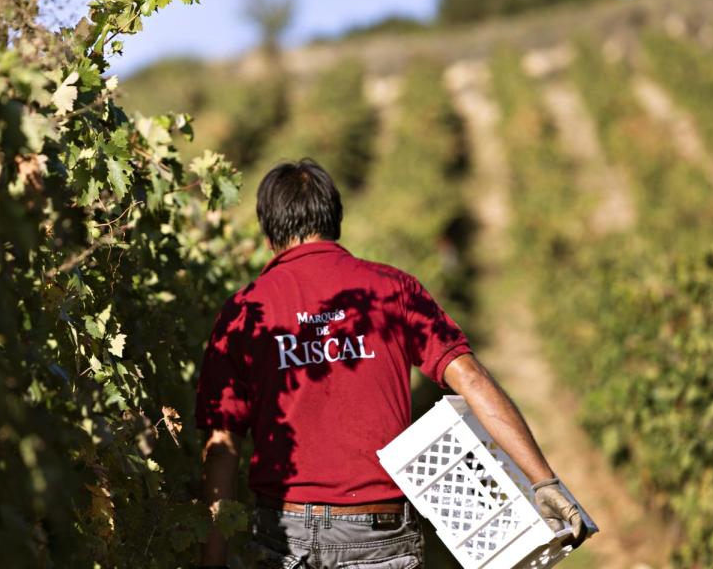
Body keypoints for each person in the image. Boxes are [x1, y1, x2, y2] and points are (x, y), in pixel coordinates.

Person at [195, 159, 586, 568]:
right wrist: (542, 479)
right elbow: (469, 376)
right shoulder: (394, 289)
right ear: (334, 220)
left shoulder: (244, 311)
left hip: (283, 537)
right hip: (379, 539)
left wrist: (213, 559)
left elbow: (223, 447)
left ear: (269, 234)